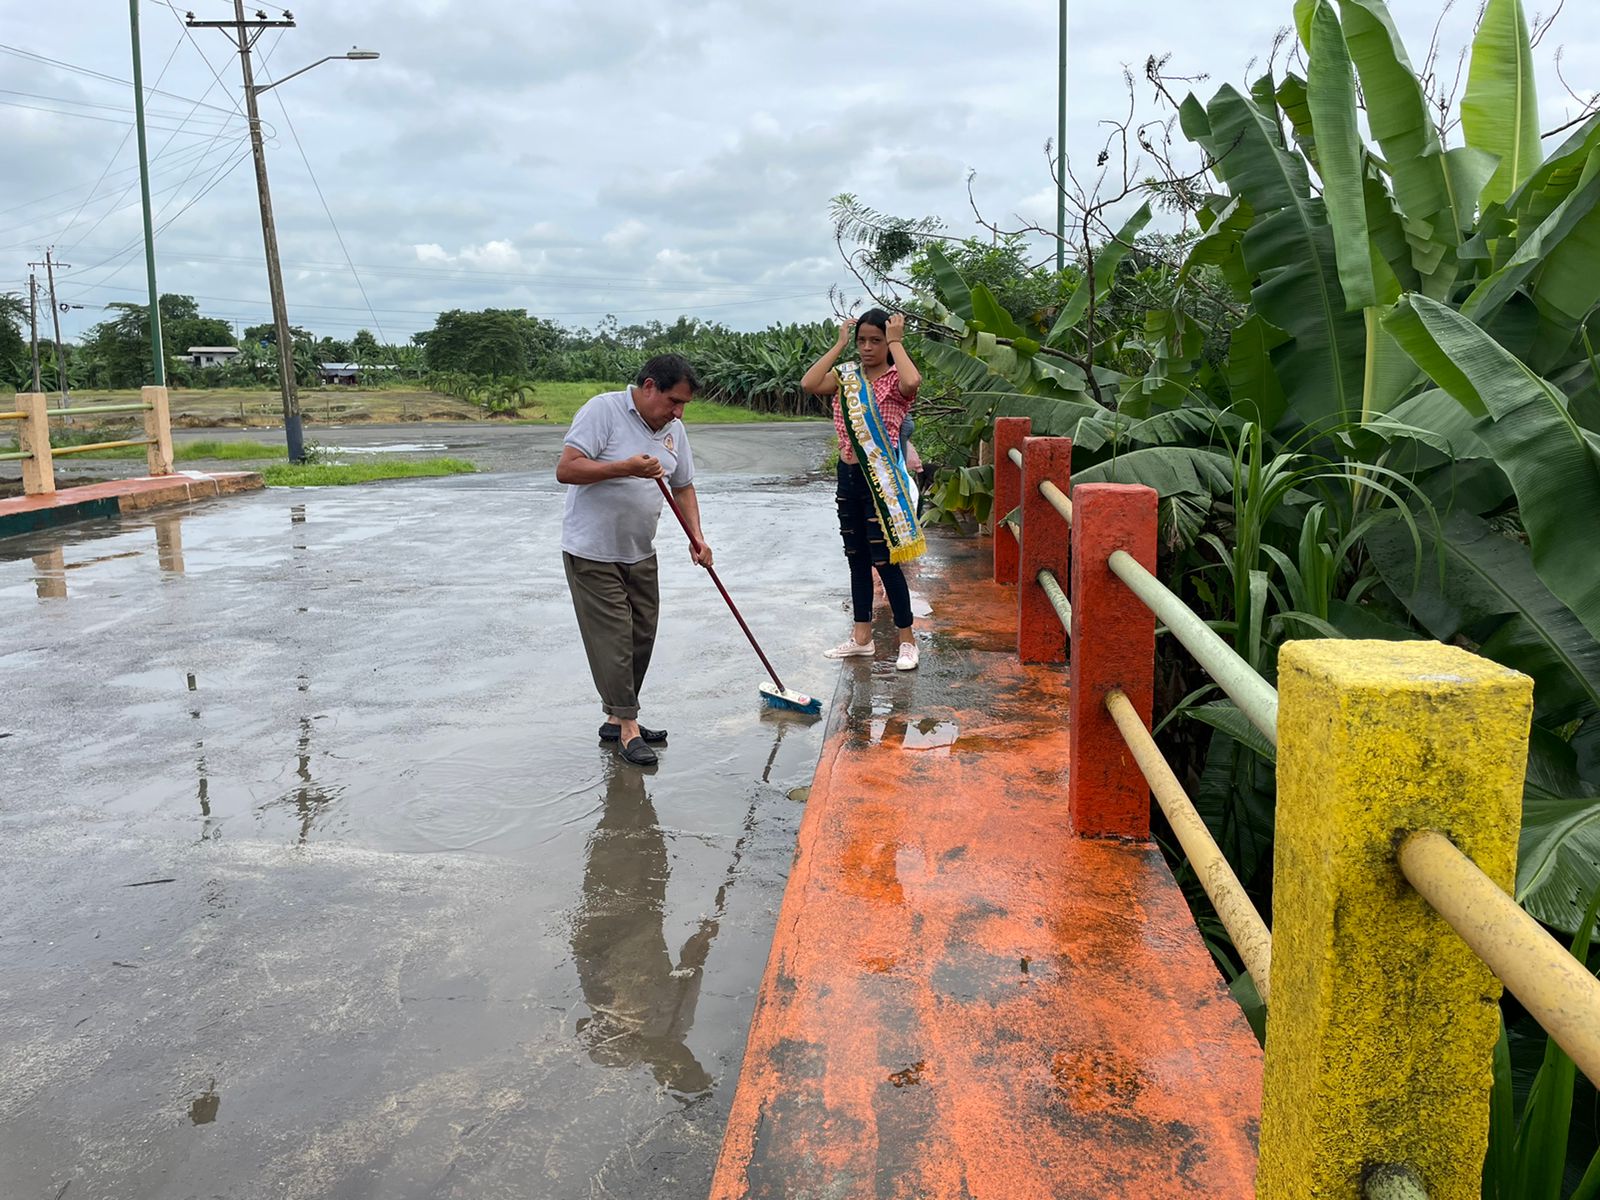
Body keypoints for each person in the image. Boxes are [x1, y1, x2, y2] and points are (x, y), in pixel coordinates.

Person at [557, 355, 712, 767]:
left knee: (641, 635)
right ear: (648, 387)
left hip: (640, 550)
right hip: (592, 551)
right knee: (614, 642)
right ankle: (629, 728)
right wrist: (624, 468)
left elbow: (683, 486)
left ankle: (616, 718)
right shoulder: (603, 410)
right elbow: (567, 469)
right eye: (673, 402)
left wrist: (697, 536)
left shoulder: (674, 430)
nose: (678, 413)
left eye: (684, 406)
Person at [800, 308, 925, 671]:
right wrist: (840, 344)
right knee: (856, 559)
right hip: (848, 475)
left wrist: (897, 342)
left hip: (880, 481)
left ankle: (907, 641)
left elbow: (913, 381)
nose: (867, 348)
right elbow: (809, 383)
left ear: (887, 342)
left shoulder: (895, 381)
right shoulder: (847, 378)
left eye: (876, 341)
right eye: (862, 341)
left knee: (885, 562)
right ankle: (861, 638)